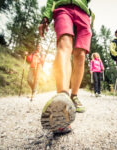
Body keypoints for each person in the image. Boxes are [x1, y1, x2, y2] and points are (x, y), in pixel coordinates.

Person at [39, 0, 94, 134]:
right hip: (62, 8)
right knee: (64, 44)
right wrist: (45, 17)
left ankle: (73, 96)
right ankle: (62, 96)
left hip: (83, 13)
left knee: (80, 54)